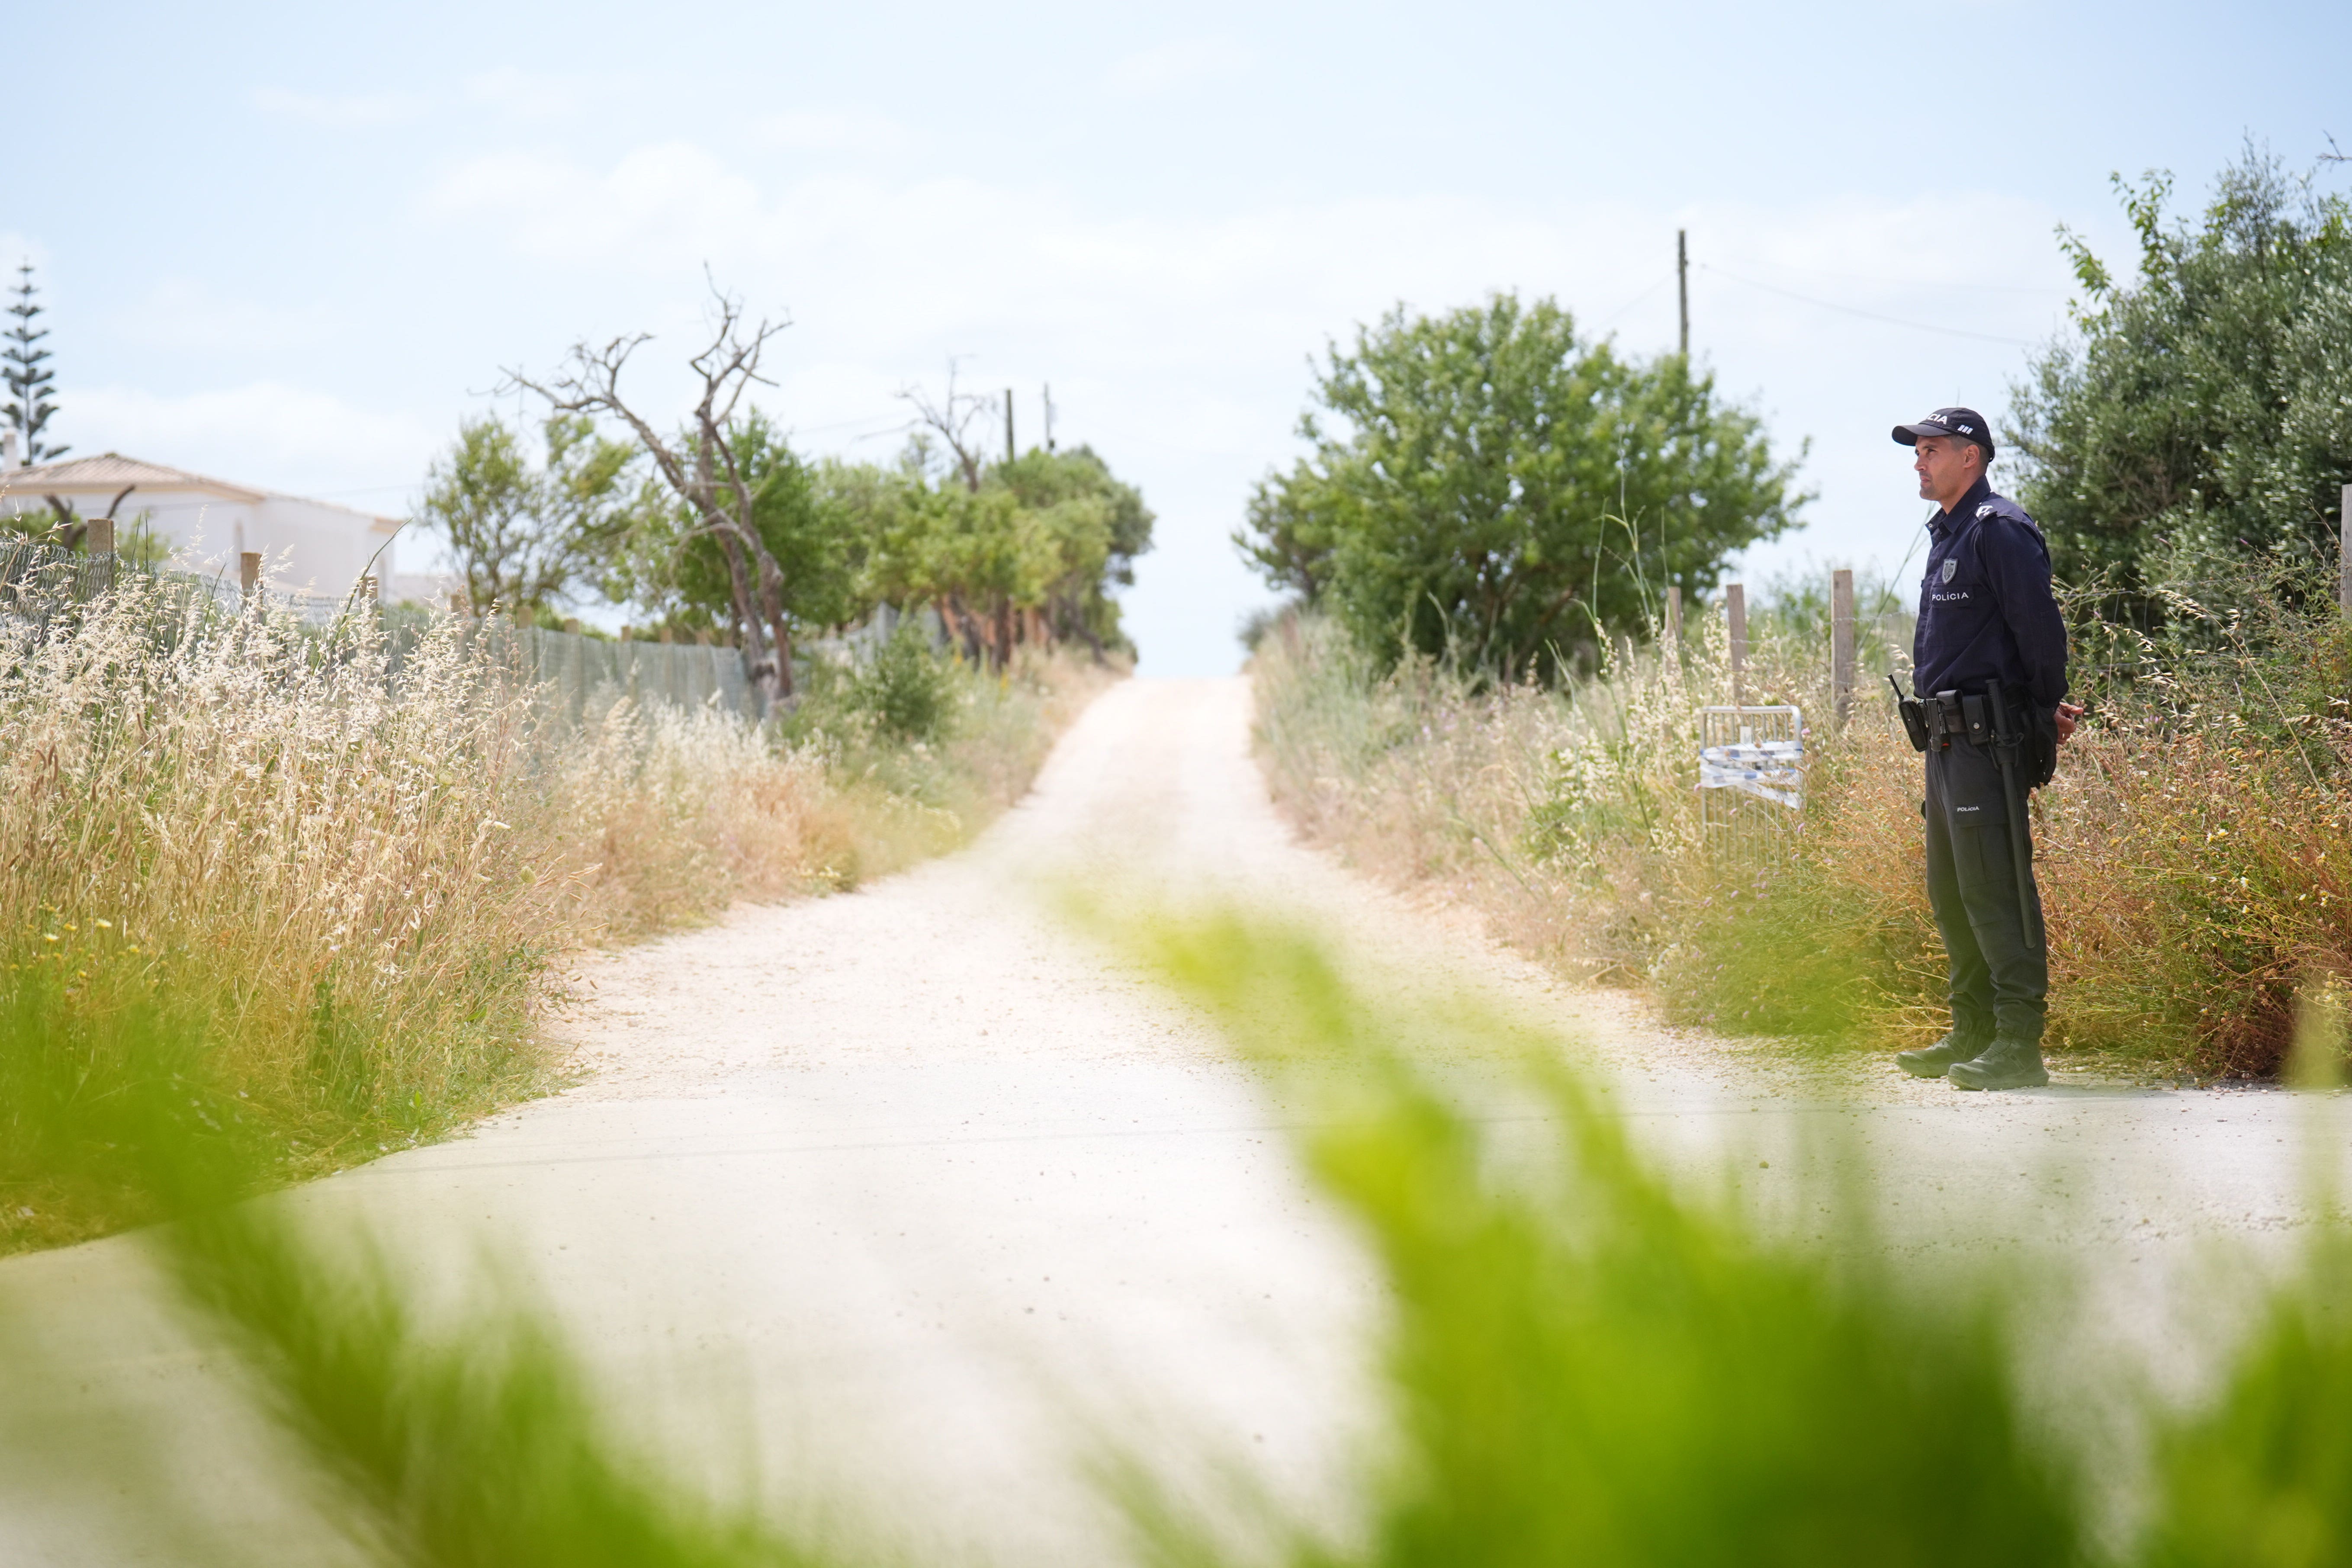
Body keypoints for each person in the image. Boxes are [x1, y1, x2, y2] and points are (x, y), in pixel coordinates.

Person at [1887, 408, 2082, 1090]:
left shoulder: (1999, 530)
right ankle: (1971, 1030)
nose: (1919, 461)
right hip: (1945, 743)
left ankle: (2018, 1044)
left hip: (1986, 742)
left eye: (1931, 450)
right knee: (1953, 892)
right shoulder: (1950, 532)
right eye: (1918, 451)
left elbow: (2040, 634)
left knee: (1997, 891)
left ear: (1971, 457)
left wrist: (2035, 713)